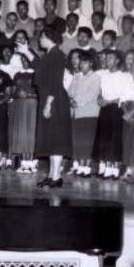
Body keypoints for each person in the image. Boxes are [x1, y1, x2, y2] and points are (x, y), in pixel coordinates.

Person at [33, 28, 73, 186]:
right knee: (50, 139)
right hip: (50, 99)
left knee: (56, 140)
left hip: (55, 101)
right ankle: (51, 175)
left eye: (42, 36)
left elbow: (55, 82)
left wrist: (48, 104)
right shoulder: (50, 54)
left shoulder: (56, 55)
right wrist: (27, 52)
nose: (39, 39)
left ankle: (56, 177)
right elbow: (41, 70)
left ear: (50, 37)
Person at [93, 49, 127, 179]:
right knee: (105, 138)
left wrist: (110, 101)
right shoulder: (103, 75)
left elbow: (123, 96)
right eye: (106, 58)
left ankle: (115, 169)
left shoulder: (123, 76)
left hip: (116, 109)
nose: (107, 61)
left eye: (111, 58)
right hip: (105, 109)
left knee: (115, 139)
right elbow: (101, 92)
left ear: (117, 60)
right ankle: (107, 167)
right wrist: (100, 99)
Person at [68, 50, 100, 177]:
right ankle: (80, 166)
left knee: (87, 141)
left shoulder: (95, 77)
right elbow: (70, 91)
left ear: (91, 63)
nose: (82, 65)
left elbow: (92, 95)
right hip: (77, 113)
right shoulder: (77, 76)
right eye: (81, 62)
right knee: (78, 141)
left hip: (89, 113)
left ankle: (86, 167)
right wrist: (72, 100)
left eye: (85, 62)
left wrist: (77, 102)